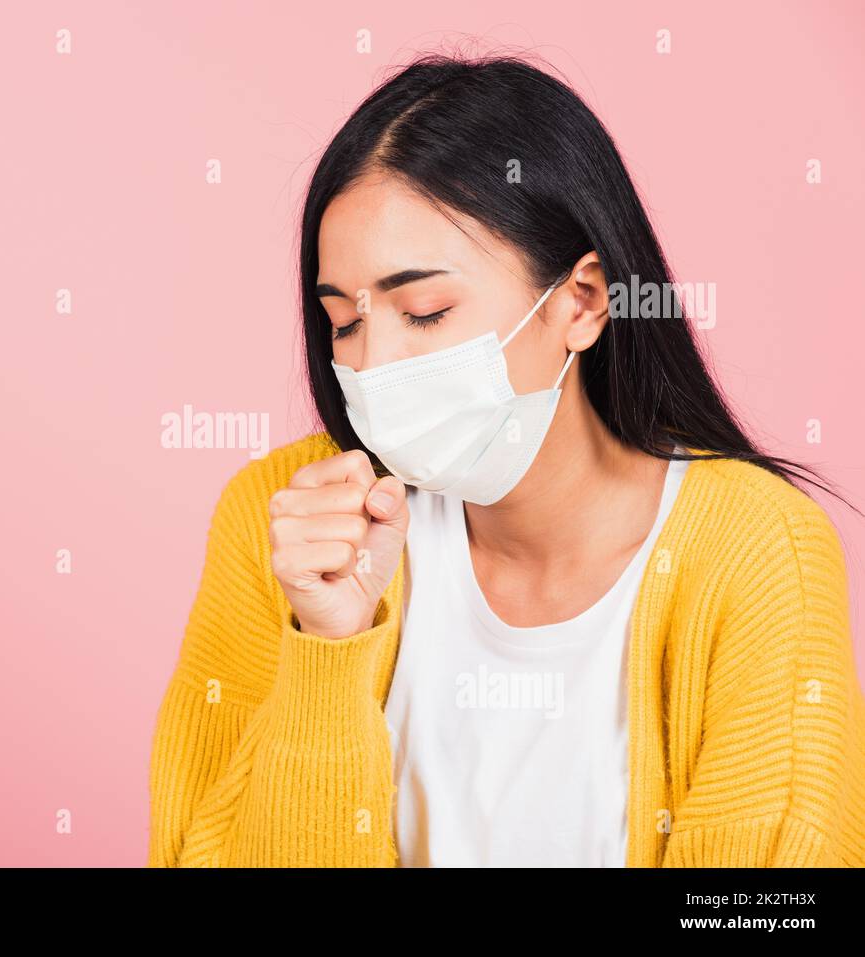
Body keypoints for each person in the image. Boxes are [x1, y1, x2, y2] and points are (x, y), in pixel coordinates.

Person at [147, 53, 865, 867]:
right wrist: (324, 650)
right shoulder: (286, 523)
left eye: (425, 311)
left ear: (581, 302)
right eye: (344, 321)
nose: (372, 365)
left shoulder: (757, 549)